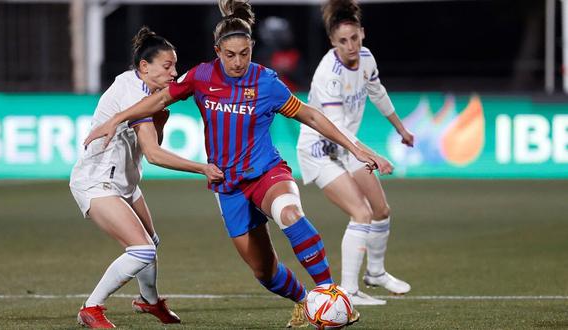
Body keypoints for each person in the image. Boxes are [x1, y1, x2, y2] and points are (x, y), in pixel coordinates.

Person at [84, 1, 392, 327]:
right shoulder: (201, 77)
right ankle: (306, 302)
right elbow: (158, 99)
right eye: (230, 55)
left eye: (244, 53)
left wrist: (355, 148)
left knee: (289, 213)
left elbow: (311, 114)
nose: (238, 62)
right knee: (264, 270)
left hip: (267, 172)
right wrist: (115, 118)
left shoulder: (266, 82)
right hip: (228, 186)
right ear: (217, 51)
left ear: (251, 48)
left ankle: (331, 292)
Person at [69, 27, 224, 328]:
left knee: (150, 241)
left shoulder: (149, 94)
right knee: (141, 249)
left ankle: (149, 302)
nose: (174, 72)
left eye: (175, 66)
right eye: (167, 66)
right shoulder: (132, 91)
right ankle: (92, 307)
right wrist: (203, 168)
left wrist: (160, 120)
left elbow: (150, 144)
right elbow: (154, 155)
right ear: (144, 66)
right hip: (96, 181)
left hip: (124, 181)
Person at [296, 0, 414, 306]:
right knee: (361, 212)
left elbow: (378, 92)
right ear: (333, 43)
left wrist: (400, 128)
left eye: (354, 38)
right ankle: (348, 291)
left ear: (362, 33)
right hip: (320, 148)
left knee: (381, 210)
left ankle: (375, 273)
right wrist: (372, 154)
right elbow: (334, 126)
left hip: (350, 147)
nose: (350, 46)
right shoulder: (329, 74)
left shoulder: (366, 58)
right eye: (342, 41)